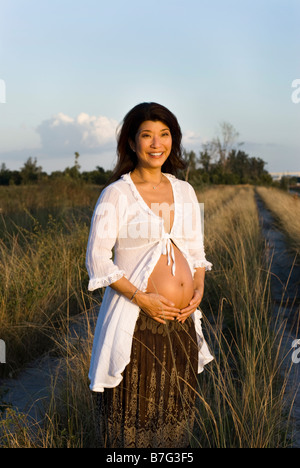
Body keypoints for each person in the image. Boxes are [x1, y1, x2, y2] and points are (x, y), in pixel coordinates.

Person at [86, 102, 213, 448]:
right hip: (138, 324)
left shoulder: (184, 191)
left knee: (174, 418)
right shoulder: (116, 194)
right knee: (136, 418)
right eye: (147, 135)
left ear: (174, 140)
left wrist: (198, 285)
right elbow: (97, 260)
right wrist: (142, 298)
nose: (157, 144)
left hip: (182, 324)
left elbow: (195, 251)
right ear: (130, 142)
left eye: (164, 134)